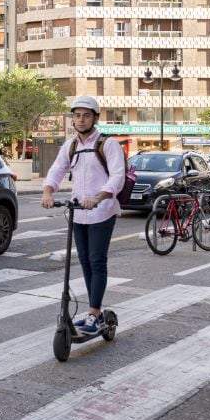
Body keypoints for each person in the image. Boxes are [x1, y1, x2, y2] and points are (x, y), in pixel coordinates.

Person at [40, 96, 126, 334]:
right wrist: (48, 191)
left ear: (95, 118)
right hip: (78, 212)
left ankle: (95, 313)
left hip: (102, 211)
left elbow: (117, 175)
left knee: (97, 261)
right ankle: (92, 311)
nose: (81, 119)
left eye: (86, 115)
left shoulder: (108, 144)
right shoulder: (71, 145)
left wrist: (100, 196)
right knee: (85, 261)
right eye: (77, 115)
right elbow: (57, 169)